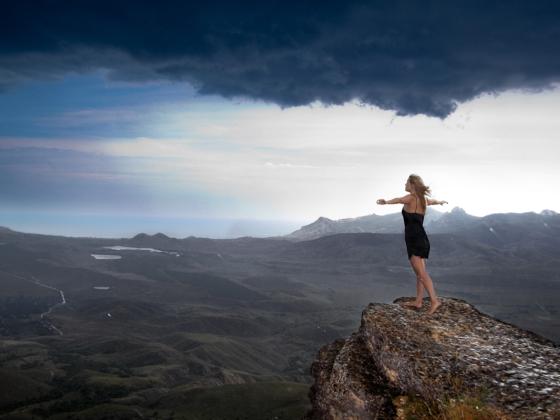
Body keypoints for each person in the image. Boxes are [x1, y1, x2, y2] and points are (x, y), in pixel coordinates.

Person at [376, 174, 448, 315]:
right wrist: (440, 202)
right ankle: (418, 301)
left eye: (407, 183)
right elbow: (432, 201)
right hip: (421, 238)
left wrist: (386, 202)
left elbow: (399, 200)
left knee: (421, 274)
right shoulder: (423, 200)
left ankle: (434, 301)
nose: (405, 184)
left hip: (414, 239)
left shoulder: (410, 198)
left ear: (413, 184)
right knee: (419, 273)